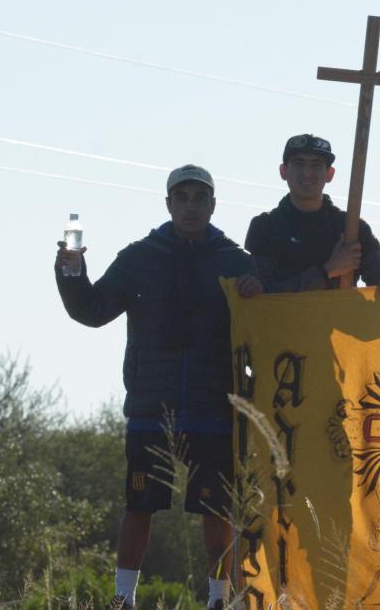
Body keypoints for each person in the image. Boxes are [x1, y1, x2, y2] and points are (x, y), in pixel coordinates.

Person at [55, 165, 255, 610]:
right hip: (150, 405)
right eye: (181, 197)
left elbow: (269, 325)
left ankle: (218, 599)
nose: (190, 205)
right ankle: (123, 598)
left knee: (216, 510)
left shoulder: (236, 262)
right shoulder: (139, 257)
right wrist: (71, 274)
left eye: (198, 198)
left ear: (213, 205)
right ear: (168, 204)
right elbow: (92, 310)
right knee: (139, 503)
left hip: (214, 407)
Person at [241, 133, 380, 296]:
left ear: (330, 174)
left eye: (316, 164)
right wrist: (327, 271)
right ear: (283, 171)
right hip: (283, 322)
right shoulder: (265, 227)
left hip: (338, 322)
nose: (307, 172)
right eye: (299, 163)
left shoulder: (352, 228)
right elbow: (262, 296)